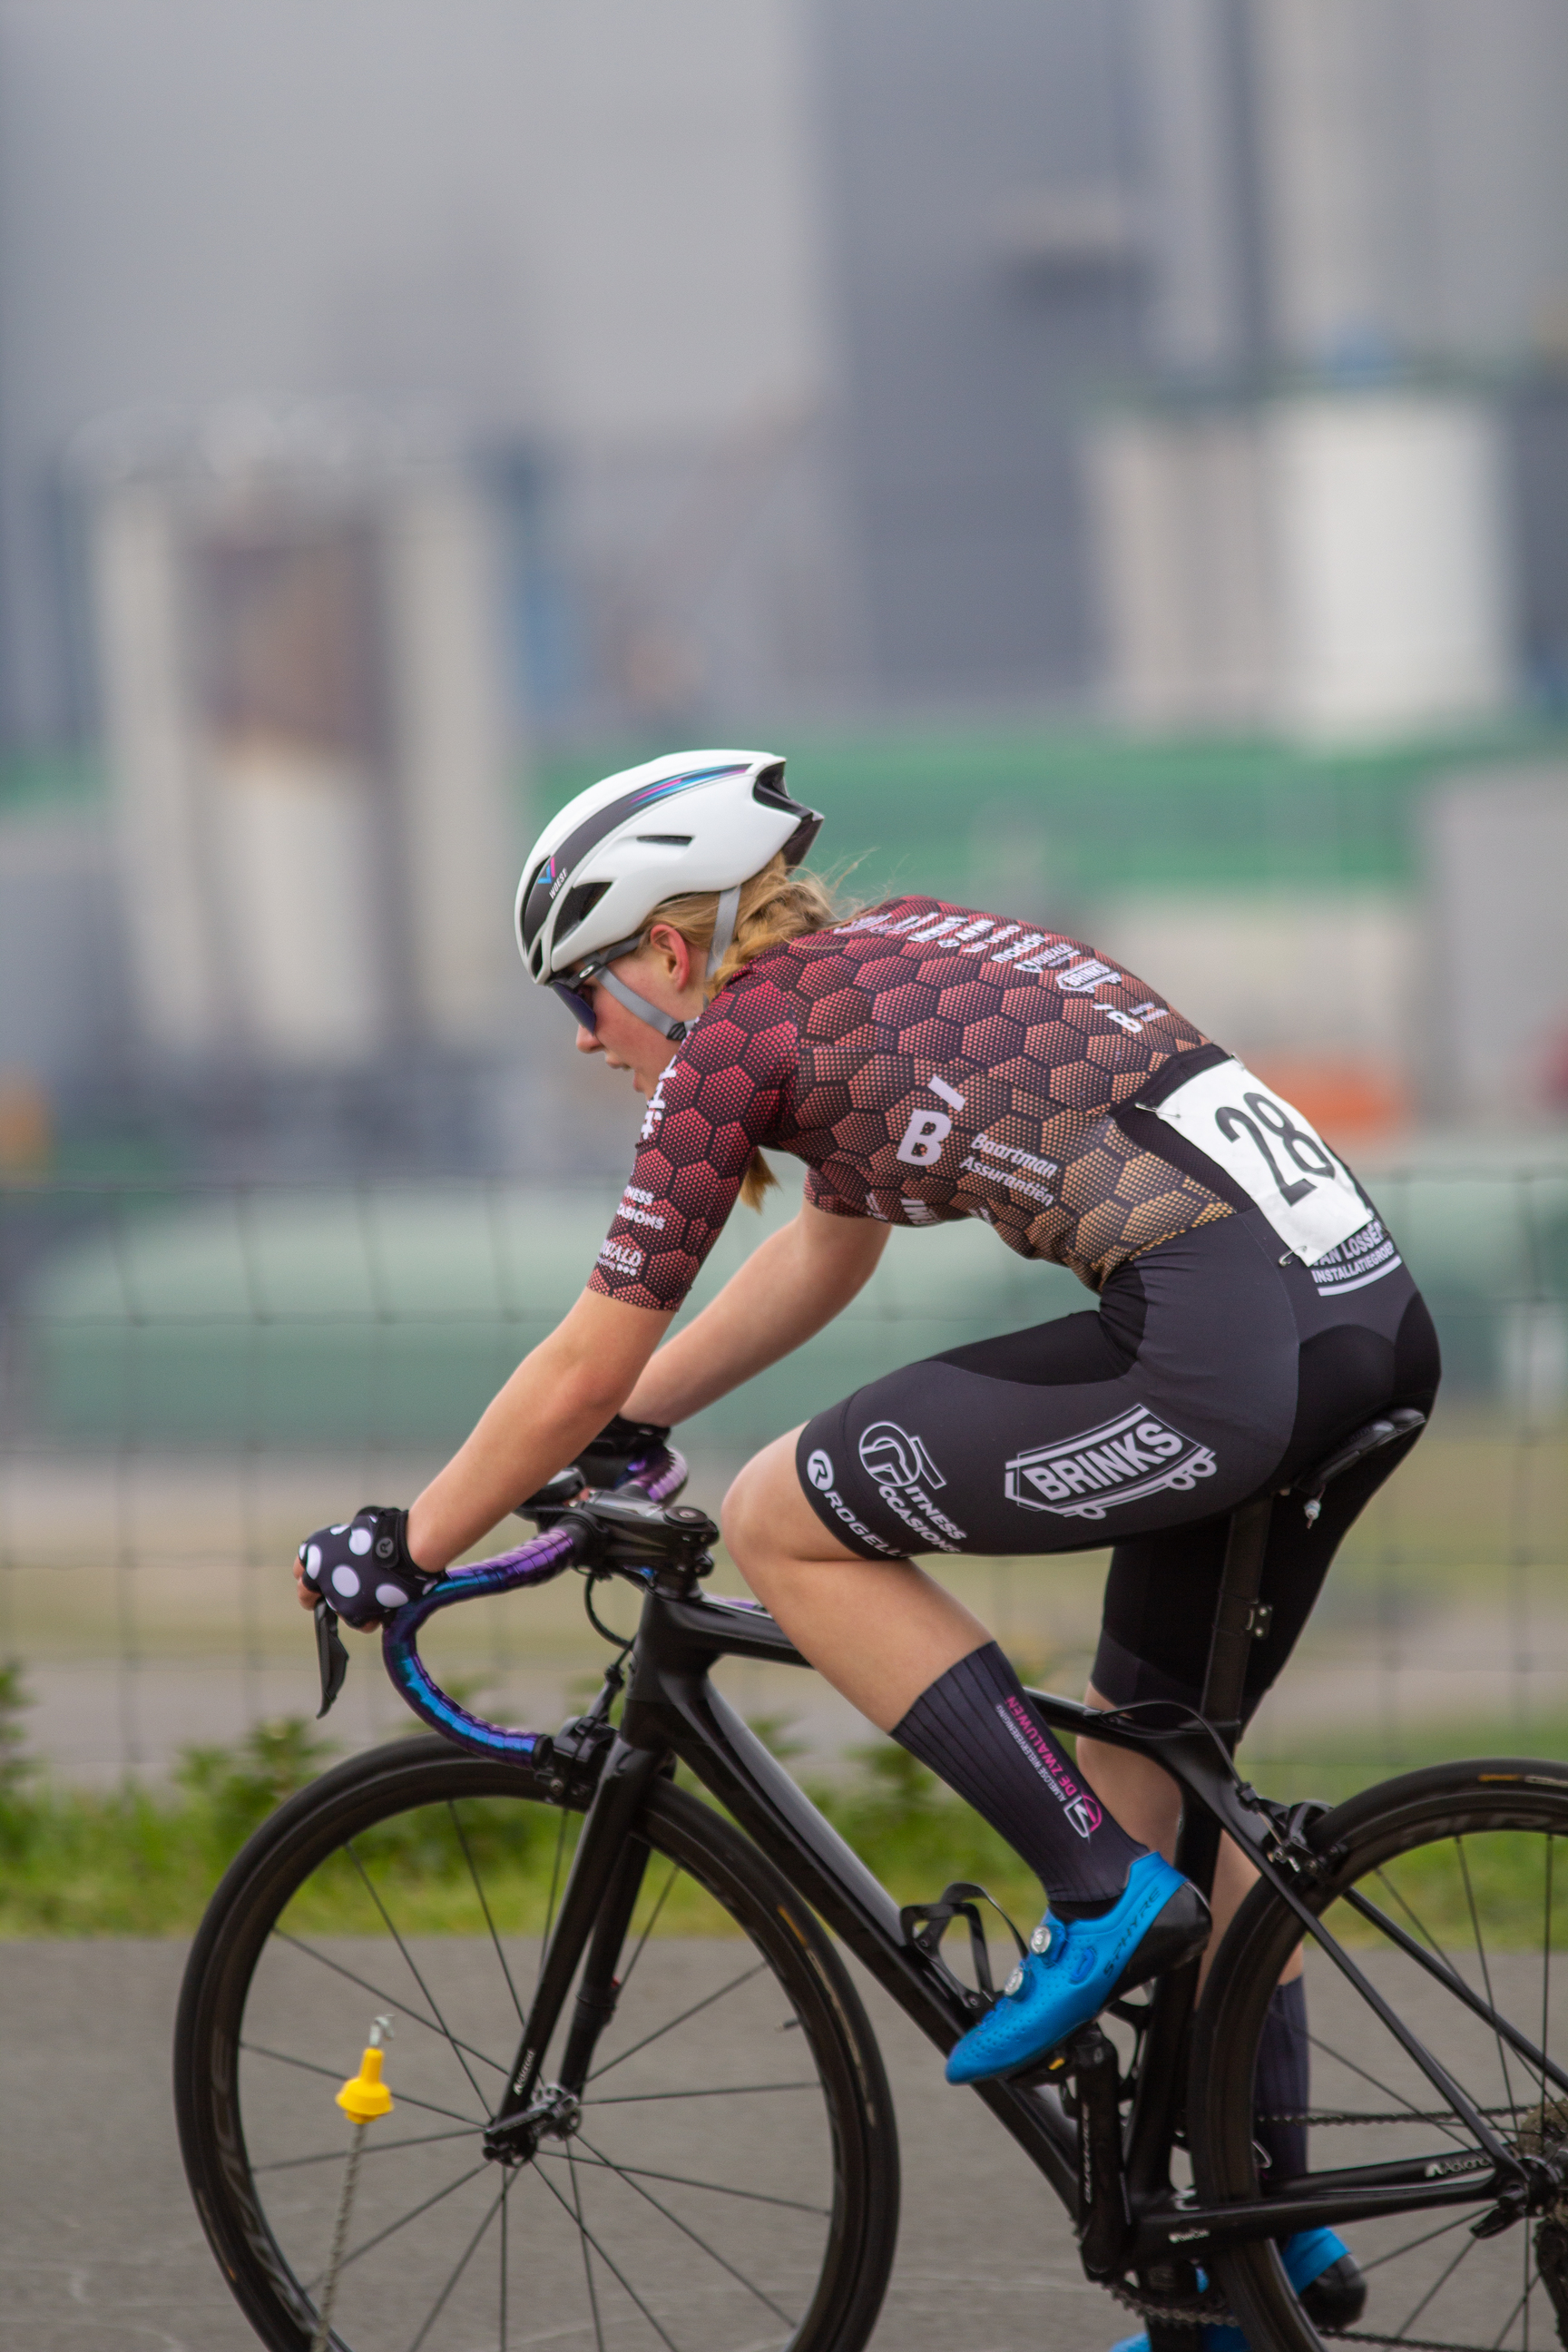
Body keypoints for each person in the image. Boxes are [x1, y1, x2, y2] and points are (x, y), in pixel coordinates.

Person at [294, 749, 1439, 2336]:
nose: (584, 1039)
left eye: (585, 993)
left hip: (1226, 1359)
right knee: (1164, 1769)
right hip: (1364, 1326)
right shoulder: (898, 959)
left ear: (668, 953)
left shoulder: (733, 1046)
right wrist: (639, 1421)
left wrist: (406, 1542)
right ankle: (1265, 2249)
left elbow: (578, 1349)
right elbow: (825, 1252)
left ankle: (1089, 1891)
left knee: (780, 1515)